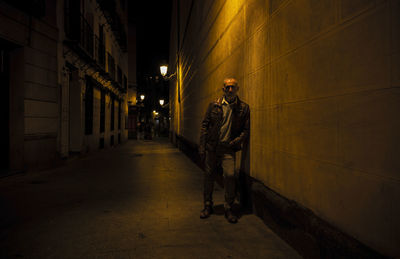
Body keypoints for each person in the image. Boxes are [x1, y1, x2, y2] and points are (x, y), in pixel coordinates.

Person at [198, 78, 250, 223]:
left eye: (233, 87)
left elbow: (245, 131)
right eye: (227, 87)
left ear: (237, 89)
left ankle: (228, 207)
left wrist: (235, 142)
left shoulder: (243, 108)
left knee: (230, 175)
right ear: (223, 89)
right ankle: (208, 205)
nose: (230, 90)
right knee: (209, 175)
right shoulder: (214, 105)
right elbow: (205, 126)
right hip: (212, 147)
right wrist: (202, 146)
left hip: (228, 149)